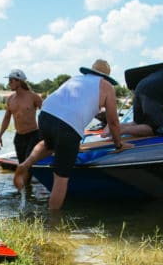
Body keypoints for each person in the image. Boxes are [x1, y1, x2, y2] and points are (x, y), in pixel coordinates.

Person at [14, 59, 131, 210]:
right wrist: (119, 144)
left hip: (46, 115)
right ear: (106, 76)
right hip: (67, 126)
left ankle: (25, 164)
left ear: (90, 71)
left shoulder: (76, 79)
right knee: (61, 179)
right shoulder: (107, 87)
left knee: (49, 145)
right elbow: (113, 122)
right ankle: (53, 223)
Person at [0, 69, 43, 164]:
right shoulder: (10, 99)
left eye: (11, 81)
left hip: (33, 135)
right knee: (22, 164)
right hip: (19, 137)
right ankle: (26, 179)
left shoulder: (33, 97)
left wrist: (46, 132)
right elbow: (6, 118)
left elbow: (46, 113)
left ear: (19, 81)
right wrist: (0, 135)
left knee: (27, 164)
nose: (9, 84)